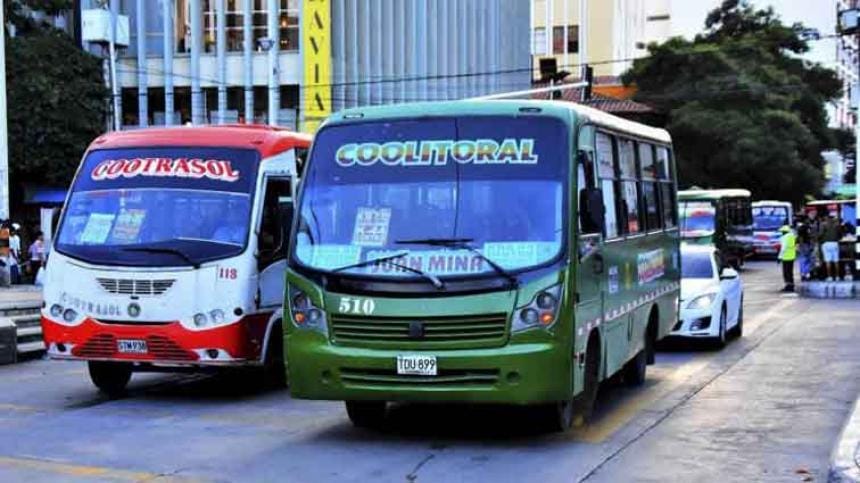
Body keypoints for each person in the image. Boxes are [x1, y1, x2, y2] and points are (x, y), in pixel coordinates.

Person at [819, 215, 842, 281]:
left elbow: (820, 234)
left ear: (826, 218)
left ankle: (830, 277)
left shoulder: (823, 224)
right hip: (835, 243)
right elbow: (840, 234)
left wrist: (818, 238)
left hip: (826, 244)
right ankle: (837, 276)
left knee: (828, 261)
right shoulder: (837, 225)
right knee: (836, 261)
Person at [777, 225, 797, 293]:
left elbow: (783, 248)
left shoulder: (784, 238)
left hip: (786, 257)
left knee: (786, 273)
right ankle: (791, 285)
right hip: (792, 257)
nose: (781, 233)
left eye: (782, 232)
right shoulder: (792, 236)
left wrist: (779, 257)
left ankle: (788, 286)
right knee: (790, 272)